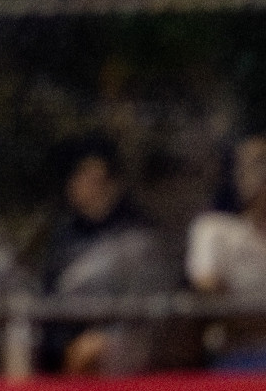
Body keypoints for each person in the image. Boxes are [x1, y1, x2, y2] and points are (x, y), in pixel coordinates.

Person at [37, 134, 171, 375]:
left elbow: (146, 311)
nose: (81, 185)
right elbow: (47, 298)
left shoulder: (138, 239)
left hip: (115, 355)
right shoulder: (62, 237)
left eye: (93, 179)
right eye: (77, 176)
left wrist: (102, 342)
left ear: (114, 184)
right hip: (59, 351)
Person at [187, 135, 266, 368]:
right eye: (248, 166)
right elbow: (208, 289)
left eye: (262, 164)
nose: (257, 175)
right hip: (236, 357)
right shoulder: (214, 229)